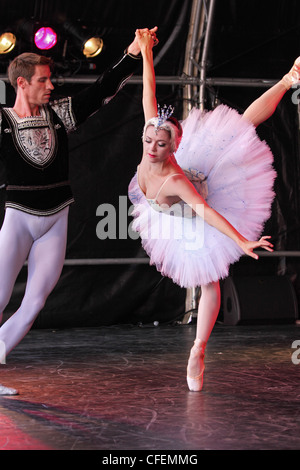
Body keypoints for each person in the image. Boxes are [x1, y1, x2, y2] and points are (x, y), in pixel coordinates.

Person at [128, 29, 299, 391]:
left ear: (174, 147)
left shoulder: (175, 179)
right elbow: (149, 93)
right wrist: (145, 51)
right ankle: (288, 80)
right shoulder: (151, 132)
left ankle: (199, 348)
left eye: (160, 144)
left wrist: (240, 241)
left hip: (198, 202)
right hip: (170, 209)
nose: (151, 148)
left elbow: (204, 212)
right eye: (148, 140)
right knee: (238, 127)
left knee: (241, 128)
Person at [0, 27, 159, 396]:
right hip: (19, 219)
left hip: (56, 218)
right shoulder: (3, 122)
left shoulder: (59, 114)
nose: (51, 86)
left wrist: (134, 50)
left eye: (51, 79)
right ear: (22, 83)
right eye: (43, 80)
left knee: (36, 300)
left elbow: (104, 88)